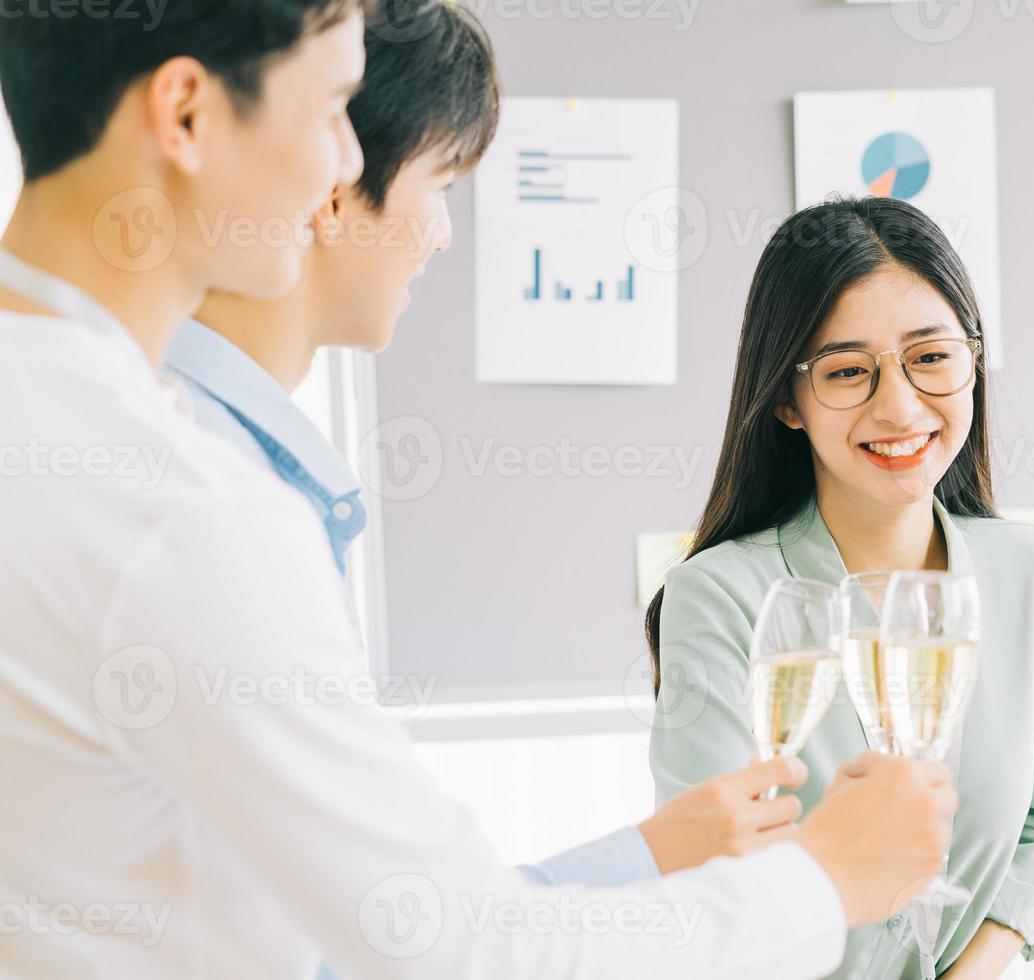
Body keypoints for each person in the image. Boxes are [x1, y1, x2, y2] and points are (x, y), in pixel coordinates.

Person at [0, 6, 954, 977]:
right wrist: (828, 877)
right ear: (188, 114)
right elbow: (463, 949)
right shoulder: (187, 515)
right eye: (332, 106)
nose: (341, 162)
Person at [166, 0, 802, 904]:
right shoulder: (215, 490)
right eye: (443, 185)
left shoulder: (227, 455)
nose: (444, 232)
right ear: (335, 183)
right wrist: (666, 855)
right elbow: (380, 930)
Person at [647, 196, 1034, 979]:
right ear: (787, 399)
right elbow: (711, 892)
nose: (901, 405)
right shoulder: (720, 597)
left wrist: (974, 968)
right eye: (849, 371)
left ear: (973, 363)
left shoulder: (1033, 573)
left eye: (932, 356)